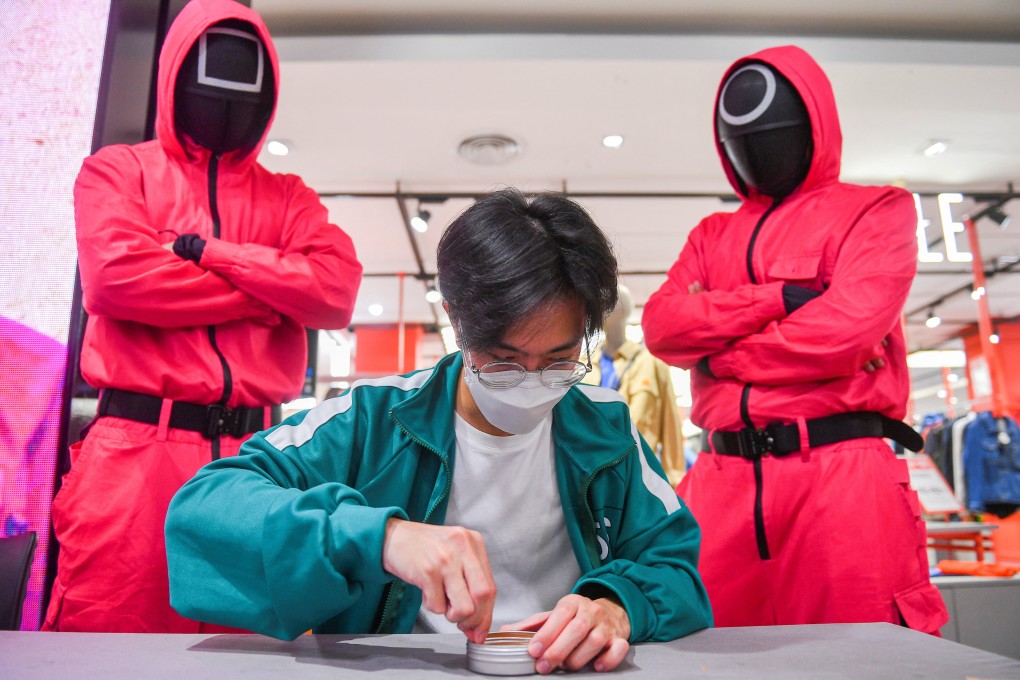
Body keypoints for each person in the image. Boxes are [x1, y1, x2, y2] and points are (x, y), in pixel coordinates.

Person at [165, 189, 712, 674]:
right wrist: (380, 538)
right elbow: (203, 508)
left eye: (559, 360)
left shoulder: (607, 429)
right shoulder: (371, 418)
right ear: (456, 321)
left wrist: (616, 606)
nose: (532, 384)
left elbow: (677, 570)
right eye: (504, 359)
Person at [44, 0, 362, 633]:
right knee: (103, 649)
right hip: (132, 455)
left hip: (260, 460)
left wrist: (210, 255)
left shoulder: (289, 197)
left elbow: (334, 292)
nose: (226, 98)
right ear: (175, 75)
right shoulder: (117, 172)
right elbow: (115, 281)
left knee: (249, 652)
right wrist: (270, 288)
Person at [642, 45, 948, 633]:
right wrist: (778, 299)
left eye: (769, 129)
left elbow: (843, 334)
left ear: (814, 122)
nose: (754, 143)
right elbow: (662, 328)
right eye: (739, 135)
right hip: (719, 481)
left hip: (842, 481)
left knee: (867, 663)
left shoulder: (877, 212)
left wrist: (718, 354)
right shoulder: (711, 235)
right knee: (701, 658)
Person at [583, 285, 685, 488]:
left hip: (639, 479)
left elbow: (671, 427)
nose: (601, 310)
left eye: (608, 304)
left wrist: (675, 481)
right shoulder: (584, 367)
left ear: (624, 310)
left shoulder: (652, 363)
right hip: (591, 477)